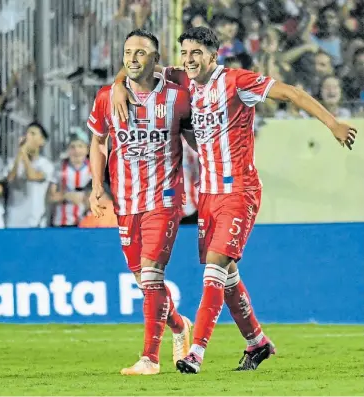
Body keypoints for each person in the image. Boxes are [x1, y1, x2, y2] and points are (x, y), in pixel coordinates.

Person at [111, 26, 357, 374]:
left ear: (214, 55)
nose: (189, 60)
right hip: (208, 194)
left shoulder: (238, 82)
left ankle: (195, 352)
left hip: (239, 190)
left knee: (214, 269)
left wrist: (332, 123)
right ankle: (257, 342)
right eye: (184, 53)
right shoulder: (183, 78)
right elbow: (139, 65)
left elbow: (292, 94)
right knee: (226, 278)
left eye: (196, 53)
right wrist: (120, 85)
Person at [87, 28, 194, 376]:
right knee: (143, 281)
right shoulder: (107, 96)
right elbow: (99, 142)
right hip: (126, 201)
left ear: (156, 60)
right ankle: (179, 326)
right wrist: (96, 187)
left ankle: (150, 358)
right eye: (128, 52)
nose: (132, 58)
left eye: (141, 53)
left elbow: (197, 140)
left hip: (164, 199)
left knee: (151, 276)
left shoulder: (178, 97)